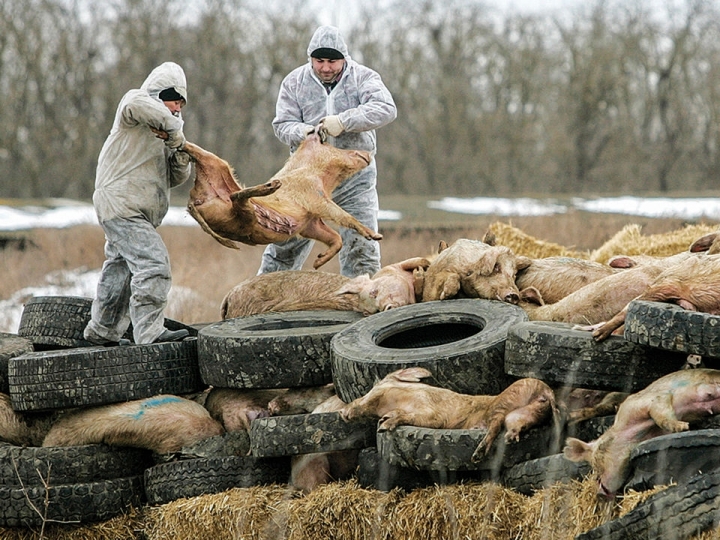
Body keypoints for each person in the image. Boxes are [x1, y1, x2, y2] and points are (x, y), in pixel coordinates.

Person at [258, 25, 397, 278]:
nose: (325, 67)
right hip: (304, 179)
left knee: (362, 247)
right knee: (284, 242)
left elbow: (386, 108)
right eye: (319, 60)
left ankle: (360, 306)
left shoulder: (364, 78)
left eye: (332, 61)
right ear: (310, 58)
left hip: (354, 179)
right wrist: (303, 133)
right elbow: (281, 125)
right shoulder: (294, 82)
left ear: (344, 58)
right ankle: (263, 302)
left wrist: (344, 121)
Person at [83, 62, 192, 345]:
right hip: (122, 206)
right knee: (154, 265)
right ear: (159, 95)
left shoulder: (166, 132)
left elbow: (176, 177)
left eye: (181, 104)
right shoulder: (133, 108)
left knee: (119, 271)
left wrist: (178, 148)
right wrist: (175, 130)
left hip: (135, 212)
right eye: (174, 100)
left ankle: (102, 331)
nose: (177, 108)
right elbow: (139, 103)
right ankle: (150, 333)